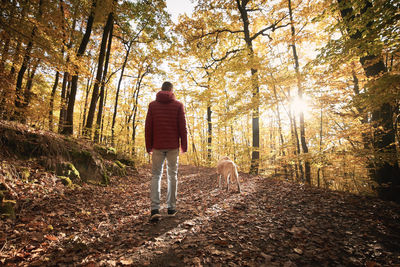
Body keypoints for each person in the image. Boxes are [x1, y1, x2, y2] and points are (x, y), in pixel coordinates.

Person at [145, 81, 187, 221]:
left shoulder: (152, 105)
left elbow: (148, 127)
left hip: (157, 145)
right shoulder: (178, 105)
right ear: (171, 90)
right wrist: (184, 146)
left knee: (156, 176)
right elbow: (183, 127)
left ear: (161, 90)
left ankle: (154, 209)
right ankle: (171, 208)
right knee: (172, 175)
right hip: (173, 146)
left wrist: (148, 146)